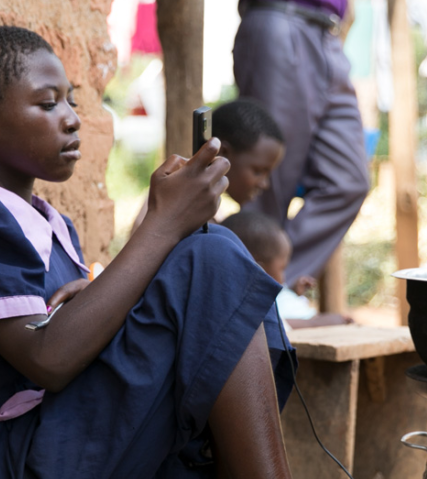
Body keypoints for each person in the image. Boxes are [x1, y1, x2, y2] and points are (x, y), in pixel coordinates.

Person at [0, 26, 422, 479]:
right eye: (48, 104)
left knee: (216, 247)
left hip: (68, 471)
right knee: (207, 256)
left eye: (72, 100)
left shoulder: (52, 223)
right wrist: (161, 228)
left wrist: (151, 245)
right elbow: (47, 358)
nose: (71, 119)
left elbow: (68, 331)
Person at [233, 0, 370, 282]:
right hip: (282, 19)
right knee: (267, 186)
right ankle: (251, 302)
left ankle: (268, 289)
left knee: (349, 182)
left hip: (329, 33)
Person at [130, 98, 286, 233]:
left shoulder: (210, 210)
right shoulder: (170, 204)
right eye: (258, 171)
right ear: (223, 152)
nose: (265, 184)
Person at [222, 210, 354, 329]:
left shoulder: (269, 292)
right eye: (281, 269)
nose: (283, 277)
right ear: (259, 270)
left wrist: (293, 292)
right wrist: (318, 322)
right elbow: (280, 324)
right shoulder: (248, 306)